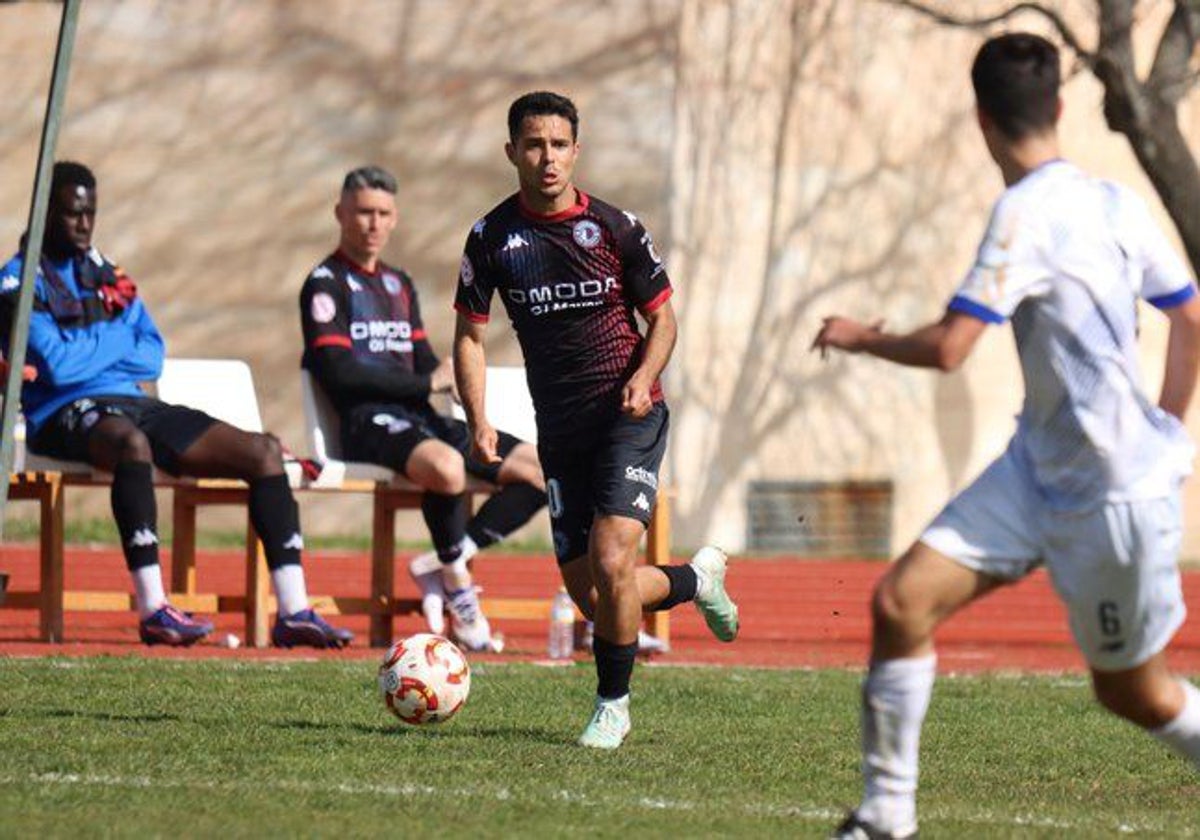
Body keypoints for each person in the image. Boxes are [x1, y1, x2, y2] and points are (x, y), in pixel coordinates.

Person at [812, 33, 1200, 839]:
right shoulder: (1116, 199)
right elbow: (1190, 315)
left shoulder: (1022, 214)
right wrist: (1167, 417)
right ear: (1057, 107)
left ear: (982, 119)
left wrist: (858, 337)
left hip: (1113, 497)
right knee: (899, 604)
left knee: (1136, 694)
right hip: (1034, 471)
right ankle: (885, 818)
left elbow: (951, 348)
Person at [453, 91, 740, 749]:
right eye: (533, 144)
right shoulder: (492, 236)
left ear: (575, 151)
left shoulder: (613, 228)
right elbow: (469, 334)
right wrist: (480, 419)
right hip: (560, 430)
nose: (546, 157)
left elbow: (662, 318)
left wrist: (643, 377)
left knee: (613, 558)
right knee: (594, 594)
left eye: (558, 144)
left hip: (627, 415)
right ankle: (697, 579)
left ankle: (612, 706)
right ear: (512, 153)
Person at [0, 161, 353, 649]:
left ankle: (293, 610)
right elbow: (57, 367)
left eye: (90, 213)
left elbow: (153, 351)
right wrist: (116, 338)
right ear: (44, 212)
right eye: (71, 213)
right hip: (62, 410)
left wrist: (96, 344)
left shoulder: (108, 272)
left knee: (263, 452)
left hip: (133, 402)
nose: (83, 224)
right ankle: (154, 609)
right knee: (131, 444)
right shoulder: (20, 279)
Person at [299, 165, 548, 650]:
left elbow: (422, 359)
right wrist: (423, 383)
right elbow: (337, 372)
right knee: (448, 467)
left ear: (394, 220)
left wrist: (449, 374)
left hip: (421, 417)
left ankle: (442, 564)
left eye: (383, 214)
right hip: (366, 421)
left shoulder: (398, 284)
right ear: (340, 214)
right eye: (364, 212)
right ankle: (459, 588)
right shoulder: (324, 282)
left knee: (540, 468)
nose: (373, 223)